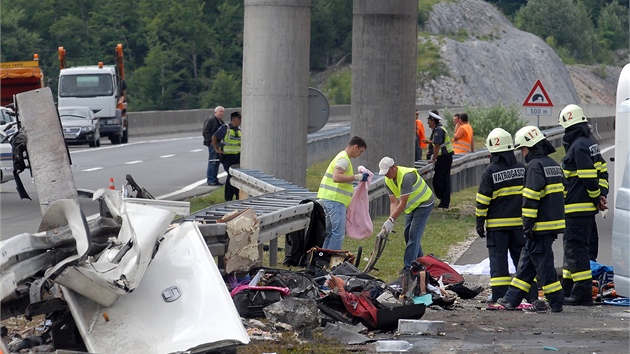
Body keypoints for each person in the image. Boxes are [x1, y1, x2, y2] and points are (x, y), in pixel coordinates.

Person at [497, 126, 565, 313]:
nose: (522, 153)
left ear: (530, 146)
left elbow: (531, 198)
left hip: (539, 226)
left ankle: (556, 300)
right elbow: (563, 191)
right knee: (526, 263)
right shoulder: (552, 164)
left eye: (522, 149)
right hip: (551, 223)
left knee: (543, 265)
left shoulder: (534, 167)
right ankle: (511, 299)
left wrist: (527, 224)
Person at [558, 104, 609, 306]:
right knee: (573, 250)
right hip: (585, 209)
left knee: (576, 250)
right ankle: (569, 287)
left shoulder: (578, 146)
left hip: (576, 208)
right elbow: (602, 171)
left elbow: (588, 176)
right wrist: (602, 194)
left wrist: (597, 196)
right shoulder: (590, 143)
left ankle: (582, 293)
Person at [475, 128, 528, 303]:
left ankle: (499, 296)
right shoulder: (523, 169)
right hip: (520, 225)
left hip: (497, 227)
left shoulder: (490, 172)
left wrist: (479, 222)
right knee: (523, 260)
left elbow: (483, 200)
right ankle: (530, 294)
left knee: (498, 262)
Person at [379, 156, 435, 270]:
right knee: (407, 235)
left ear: (394, 167)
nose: (386, 175)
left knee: (414, 235)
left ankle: (408, 267)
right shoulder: (387, 180)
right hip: (411, 206)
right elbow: (393, 201)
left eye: (387, 172)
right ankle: (421, 262)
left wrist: (391, 220)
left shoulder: (406, 177)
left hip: (424, 203)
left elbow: (402, 202)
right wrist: (391, 220)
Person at [317, 136, 368, 250]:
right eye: (360, 151)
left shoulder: (341, 156)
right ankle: (332, 261)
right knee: (338, 233)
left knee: (330, 232)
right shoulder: (344, 159)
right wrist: (357, 177)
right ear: (355, 147)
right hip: (335, 200)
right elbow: (336, 177)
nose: (359, 154)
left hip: (329, 198)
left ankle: (323, 260)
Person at [422, 110, 454, 208]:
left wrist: (433, 159)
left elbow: (437, 145)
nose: (427, 122)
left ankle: (443, 199)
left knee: (438, 181)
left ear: (433, 120)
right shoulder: (439, 129)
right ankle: (444, 202)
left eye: (429, 120)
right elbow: (437, 142)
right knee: (445, 180)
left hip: (443, 158)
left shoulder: (438, 130)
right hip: (446, 157)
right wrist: (430, 142)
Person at [212, 111, 242, 202]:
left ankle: (237, 196)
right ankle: (228, 197)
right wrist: (217, 149)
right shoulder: (226, 128)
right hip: (227, 157)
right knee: (231, 175)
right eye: (239, 118)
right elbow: (214, 137)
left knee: (236, 176)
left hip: (237, 157)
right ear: (234, 119)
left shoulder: (240, 130)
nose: (241, 120)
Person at [203, 106, 225, 186]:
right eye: (220, 111)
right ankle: (211, 179)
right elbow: (205, 132)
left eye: (223, 112)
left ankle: (215, 179)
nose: (221, 113)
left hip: (219, 144)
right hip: (213, 144)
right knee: (212, 161)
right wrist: (211, 142)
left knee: (217, 162)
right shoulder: (211, 121)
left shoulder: (222, 123)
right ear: (215, 112)